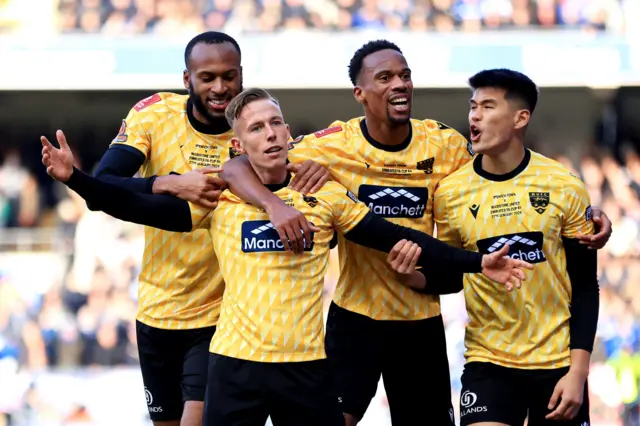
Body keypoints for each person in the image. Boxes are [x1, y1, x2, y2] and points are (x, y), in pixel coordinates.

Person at [41, 87, 534, 426]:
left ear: (290, 133)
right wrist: (76, 179)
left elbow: (393, 236)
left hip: (307, 368)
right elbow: (133, 204)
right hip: (235, 365)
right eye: (257, 128)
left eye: (277, 122)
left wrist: (475, 263)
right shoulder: (218, 200)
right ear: (239, 145)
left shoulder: (325, 197)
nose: (271, 133)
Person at [218, 40, 613, 426]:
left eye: (405, 76)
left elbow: (501, 182)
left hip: (419, 318)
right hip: (356, 317)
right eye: (385, 77)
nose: (399, 84)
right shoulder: (329, 146)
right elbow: (237, 166)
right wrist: (273, 203)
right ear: (361, 93)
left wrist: (586, 213)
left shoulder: (448, 147)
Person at [42, 31, 329, 426]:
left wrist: (320, 166)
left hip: (221, 318)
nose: (219, 87)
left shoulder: (254, 131)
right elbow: (104, 187)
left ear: (242, 75)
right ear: (187, 79)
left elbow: (304, 164)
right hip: (157, 311)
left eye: (229, 76)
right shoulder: (154, 114)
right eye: (207, 77)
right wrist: (168, 182)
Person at [425, 68, 600, 426]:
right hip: (488, 362)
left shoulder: (564, 185)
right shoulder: (451, 192)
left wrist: (578, 373)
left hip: (556, 363)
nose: (474, 115)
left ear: (520, 118)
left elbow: (584, 284)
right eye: (473, 106)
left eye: (488, 107)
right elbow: (451, 274)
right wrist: (412, 273)